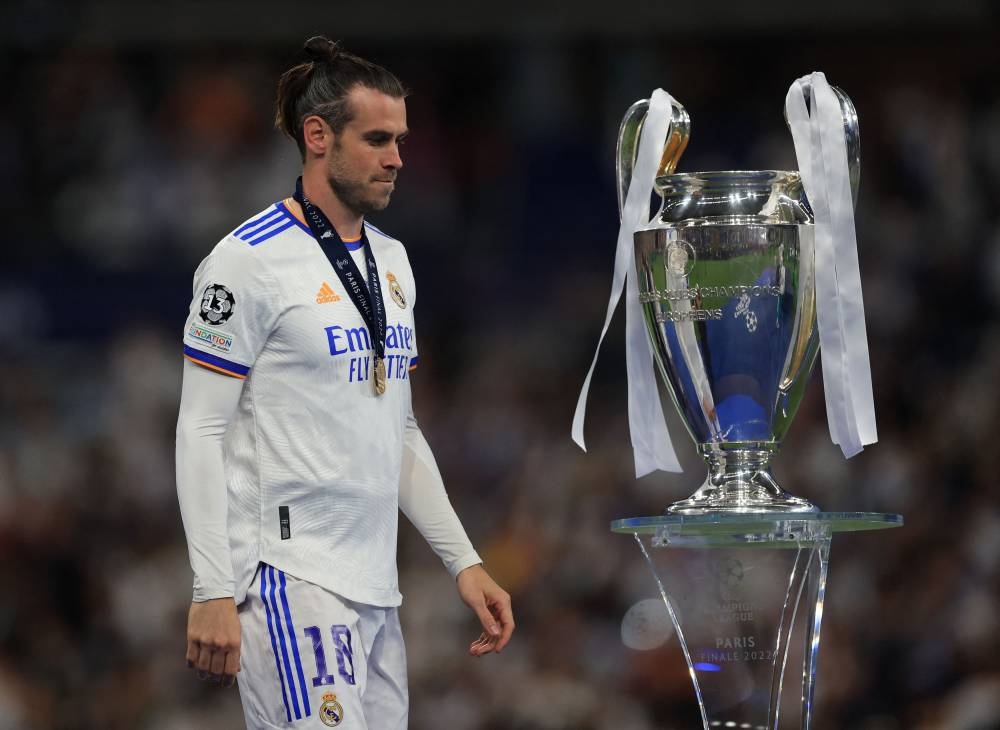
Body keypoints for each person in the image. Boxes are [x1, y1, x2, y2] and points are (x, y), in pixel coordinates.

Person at [175, 36, 514, 729]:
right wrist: (211, 586)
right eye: (378, 139)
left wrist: (463, 560)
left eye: (401, 139)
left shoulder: (393, 263)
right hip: (288, 578)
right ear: (319, 136)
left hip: (375, 591)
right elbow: (200, 428)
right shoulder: (245, 263)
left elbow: (401, 429)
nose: (398, 158)